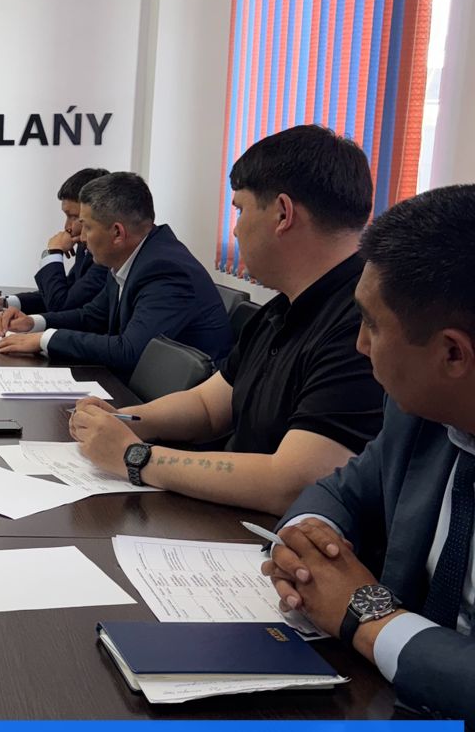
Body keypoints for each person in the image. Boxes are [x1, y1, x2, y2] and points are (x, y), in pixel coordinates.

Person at [66, 127, 383, 512]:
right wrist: (123, 419)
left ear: (282, 214)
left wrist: (136, 457)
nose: (235, 228)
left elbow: (293, 483)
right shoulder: (283, 307)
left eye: (240, 210)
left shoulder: (363, 326)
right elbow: (208, 405)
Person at [262, 184, 475, 723]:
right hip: (384, 707)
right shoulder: (418, 413)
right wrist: (307, 548)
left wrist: (367, 616)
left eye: (372, 324)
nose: (359, 345)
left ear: (452, 354)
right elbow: (339, 491)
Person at [0, 171, 231, 374]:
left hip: (176, 404)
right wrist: (33, 323)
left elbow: (129, 351)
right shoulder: (131, 257)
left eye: (87, 227)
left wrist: (46, 339)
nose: (81, 238)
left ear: (117, 233)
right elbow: (93, 316)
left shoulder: (165, 270)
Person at [0, 166, 110, 317]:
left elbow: (60, 304)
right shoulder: (84, 250)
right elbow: (58, 294)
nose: (67, 227)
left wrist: (53, 253)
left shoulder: (105, 259)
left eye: (74, 217)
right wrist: (4, 302)